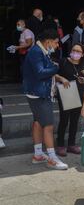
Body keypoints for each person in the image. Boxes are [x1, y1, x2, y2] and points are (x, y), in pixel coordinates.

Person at [23, 29, 68, 170]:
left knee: (38, 123)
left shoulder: (40, 50)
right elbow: (41, 73)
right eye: (55, 42)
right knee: (48, 126)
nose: (56, 46)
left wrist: (57, 75)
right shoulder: (37, 51)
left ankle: (38, 154)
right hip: (40, 94)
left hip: (37, 93)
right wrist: (56, 68)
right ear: (48, 41)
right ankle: (52, 159)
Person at [55, 44, 84, 156]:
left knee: (75, 120)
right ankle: (60, 145)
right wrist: (62, 78)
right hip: (66, 93)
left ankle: (71, 144)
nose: (75, 53)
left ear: (83, 54)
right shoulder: (63, 61)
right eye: (74, 50)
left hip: (79, 93)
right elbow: (54, 74)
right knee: (64, 119)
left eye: (78, 51)